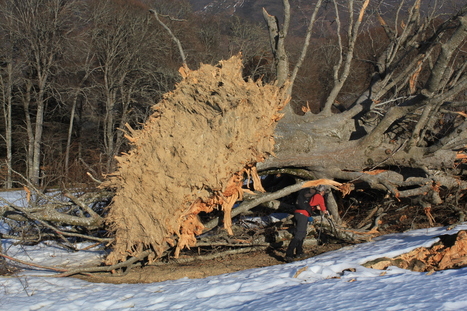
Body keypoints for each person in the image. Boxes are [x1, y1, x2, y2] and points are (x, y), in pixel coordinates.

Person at [284, 185, 327, 263]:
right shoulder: (319, 196)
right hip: (303, 215)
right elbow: (322, 207)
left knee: (302, 233)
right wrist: (325, 211)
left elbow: (310, 205)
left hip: (297, 213)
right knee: (299, 234)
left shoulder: (309, 195)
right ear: (322, 191)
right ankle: (288, 254)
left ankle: (299, 252)